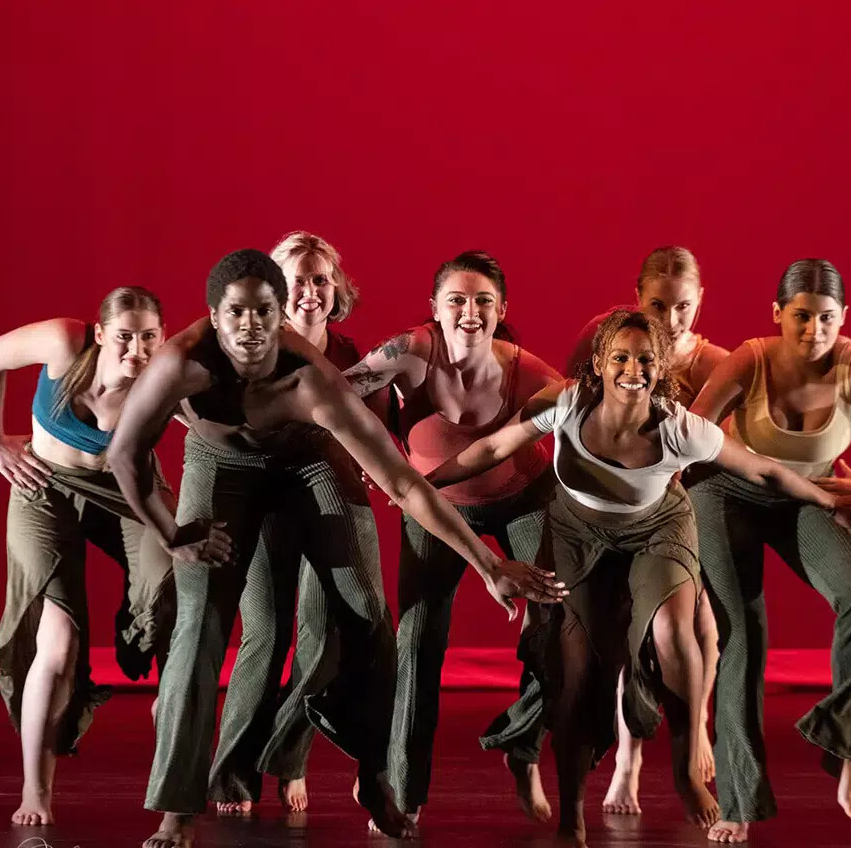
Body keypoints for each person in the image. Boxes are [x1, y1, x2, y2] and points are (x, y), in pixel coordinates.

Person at [106, 248, 566, 848]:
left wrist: (488, 565)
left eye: (263, 313)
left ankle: (375, 776)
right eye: (236, 314)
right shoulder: (181, 364)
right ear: (214, 318)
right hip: (221, 464)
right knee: (199, 623)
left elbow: (403, 483)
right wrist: (170, 533)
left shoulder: (308, 378)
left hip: (308, 460)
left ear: (280, 317)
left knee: (369, 614)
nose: (250, 328)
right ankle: (176, 810)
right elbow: (125, 455)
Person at [422, 308, 851, 847]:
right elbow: (491, 448)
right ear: (599, 364)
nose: (633, 369)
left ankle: (686, 767)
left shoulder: (678, 426)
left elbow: (762, 469)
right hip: (581, 532)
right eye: (620, 358)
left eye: (646, 360)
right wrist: (424, 484)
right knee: (576, 670)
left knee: (673, 628)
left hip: (657, 530)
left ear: (660, 366)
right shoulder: (568, 404)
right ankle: (571, 811)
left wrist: (825, 497)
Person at [688, 259, 851, 843]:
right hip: (728, 493)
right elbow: (693, 436)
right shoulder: (750, 358)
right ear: (778, 314)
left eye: (827, 318)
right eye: (801, 317)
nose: (814, 331)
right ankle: (737, 800)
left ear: (844, 318)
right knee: (743, 637)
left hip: (813, 496)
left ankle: (840, 744)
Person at [340, 250, 563, 823]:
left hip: (523, 500)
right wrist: (378, 451)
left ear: (502, 309)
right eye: (456, 300)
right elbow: (336, 393)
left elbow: (586, 428)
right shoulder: (411, 351)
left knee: (561, 624)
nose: (470, 312)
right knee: (417, 640)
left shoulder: (530, 372)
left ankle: (522, 745)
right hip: (434, 505)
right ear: (433, 310)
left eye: (483, 300)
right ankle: (406, 796)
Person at [0, 286, 173, 827]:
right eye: (126, 337)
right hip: (45, 486)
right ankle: (35, 791)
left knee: (172, 595)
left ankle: (175, 721)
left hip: (125, 491)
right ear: (101, 332)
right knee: (58, 641)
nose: (137, 350)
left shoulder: (166, 374)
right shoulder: (65, 342)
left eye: (149, 338)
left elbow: (223, 426)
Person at [210, 231, 369, 816]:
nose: (309, 292)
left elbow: (378, 428)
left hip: (328, 500)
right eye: (296, 281)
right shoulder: (250, 348)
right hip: (265, 503)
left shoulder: (353, 357)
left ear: (336, 290)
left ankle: (287, 758)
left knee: (325, 638)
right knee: (268, 632)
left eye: (319, 280)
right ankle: (232, 772)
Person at [567, 246, 728, 814]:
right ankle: (627, 763)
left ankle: (698, 723)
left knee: (700, 622)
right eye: (657, 304)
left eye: (683, 307)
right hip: (613, 503)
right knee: (624, 627)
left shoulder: (714, 363)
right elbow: (566, 405)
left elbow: (755, 444)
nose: (670, 318)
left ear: (700, 302)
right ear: (636, 298)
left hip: (685, 501)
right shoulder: (610, 338)